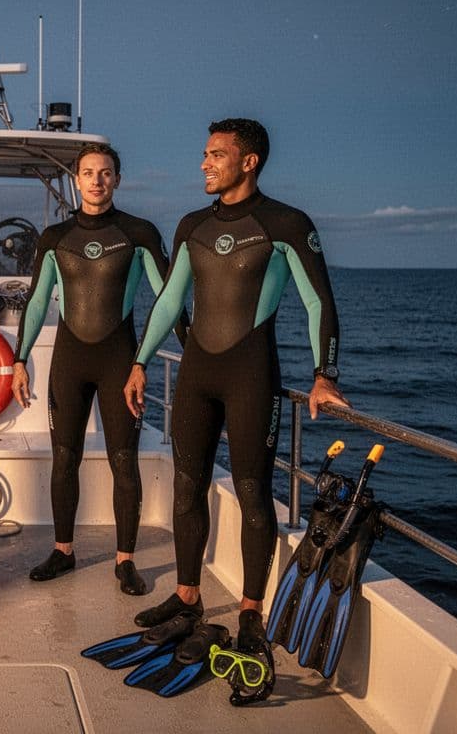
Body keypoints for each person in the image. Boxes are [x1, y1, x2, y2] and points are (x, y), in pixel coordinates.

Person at [122, 118, 349, 638]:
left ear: (248, 162)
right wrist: (139, 362)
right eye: (204, 153)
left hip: (251, 374)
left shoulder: (286, 223)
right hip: (198, 373)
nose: (204, 163)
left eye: (216, 154)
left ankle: (250, 611)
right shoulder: (191, 225)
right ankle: (186, 597)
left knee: (252, 490)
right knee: (187, 485)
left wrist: (324, 375)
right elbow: (170, 301)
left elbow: (319, 301)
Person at [10, 143, 184, 596]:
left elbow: (168, 301)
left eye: (105, 173)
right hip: (69, 362)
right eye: (88, 172)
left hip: (119, 363)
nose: (96, 180)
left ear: (117, 180)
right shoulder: (54, 238)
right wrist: (19, 360)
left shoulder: (138, 233)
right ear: (76, 179)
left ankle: (125, 561)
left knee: (123, 461)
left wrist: (173, 357)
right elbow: (34, 302)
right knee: (64, 459)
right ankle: (63, 551)